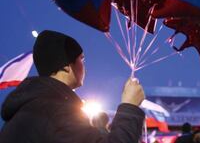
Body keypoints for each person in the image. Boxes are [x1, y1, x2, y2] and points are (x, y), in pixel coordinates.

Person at [0, 30, 146, 143]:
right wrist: (130, 106)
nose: (85, 67)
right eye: (82, 59)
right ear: (67, 66)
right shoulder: (54, 111)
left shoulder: (34, 107)